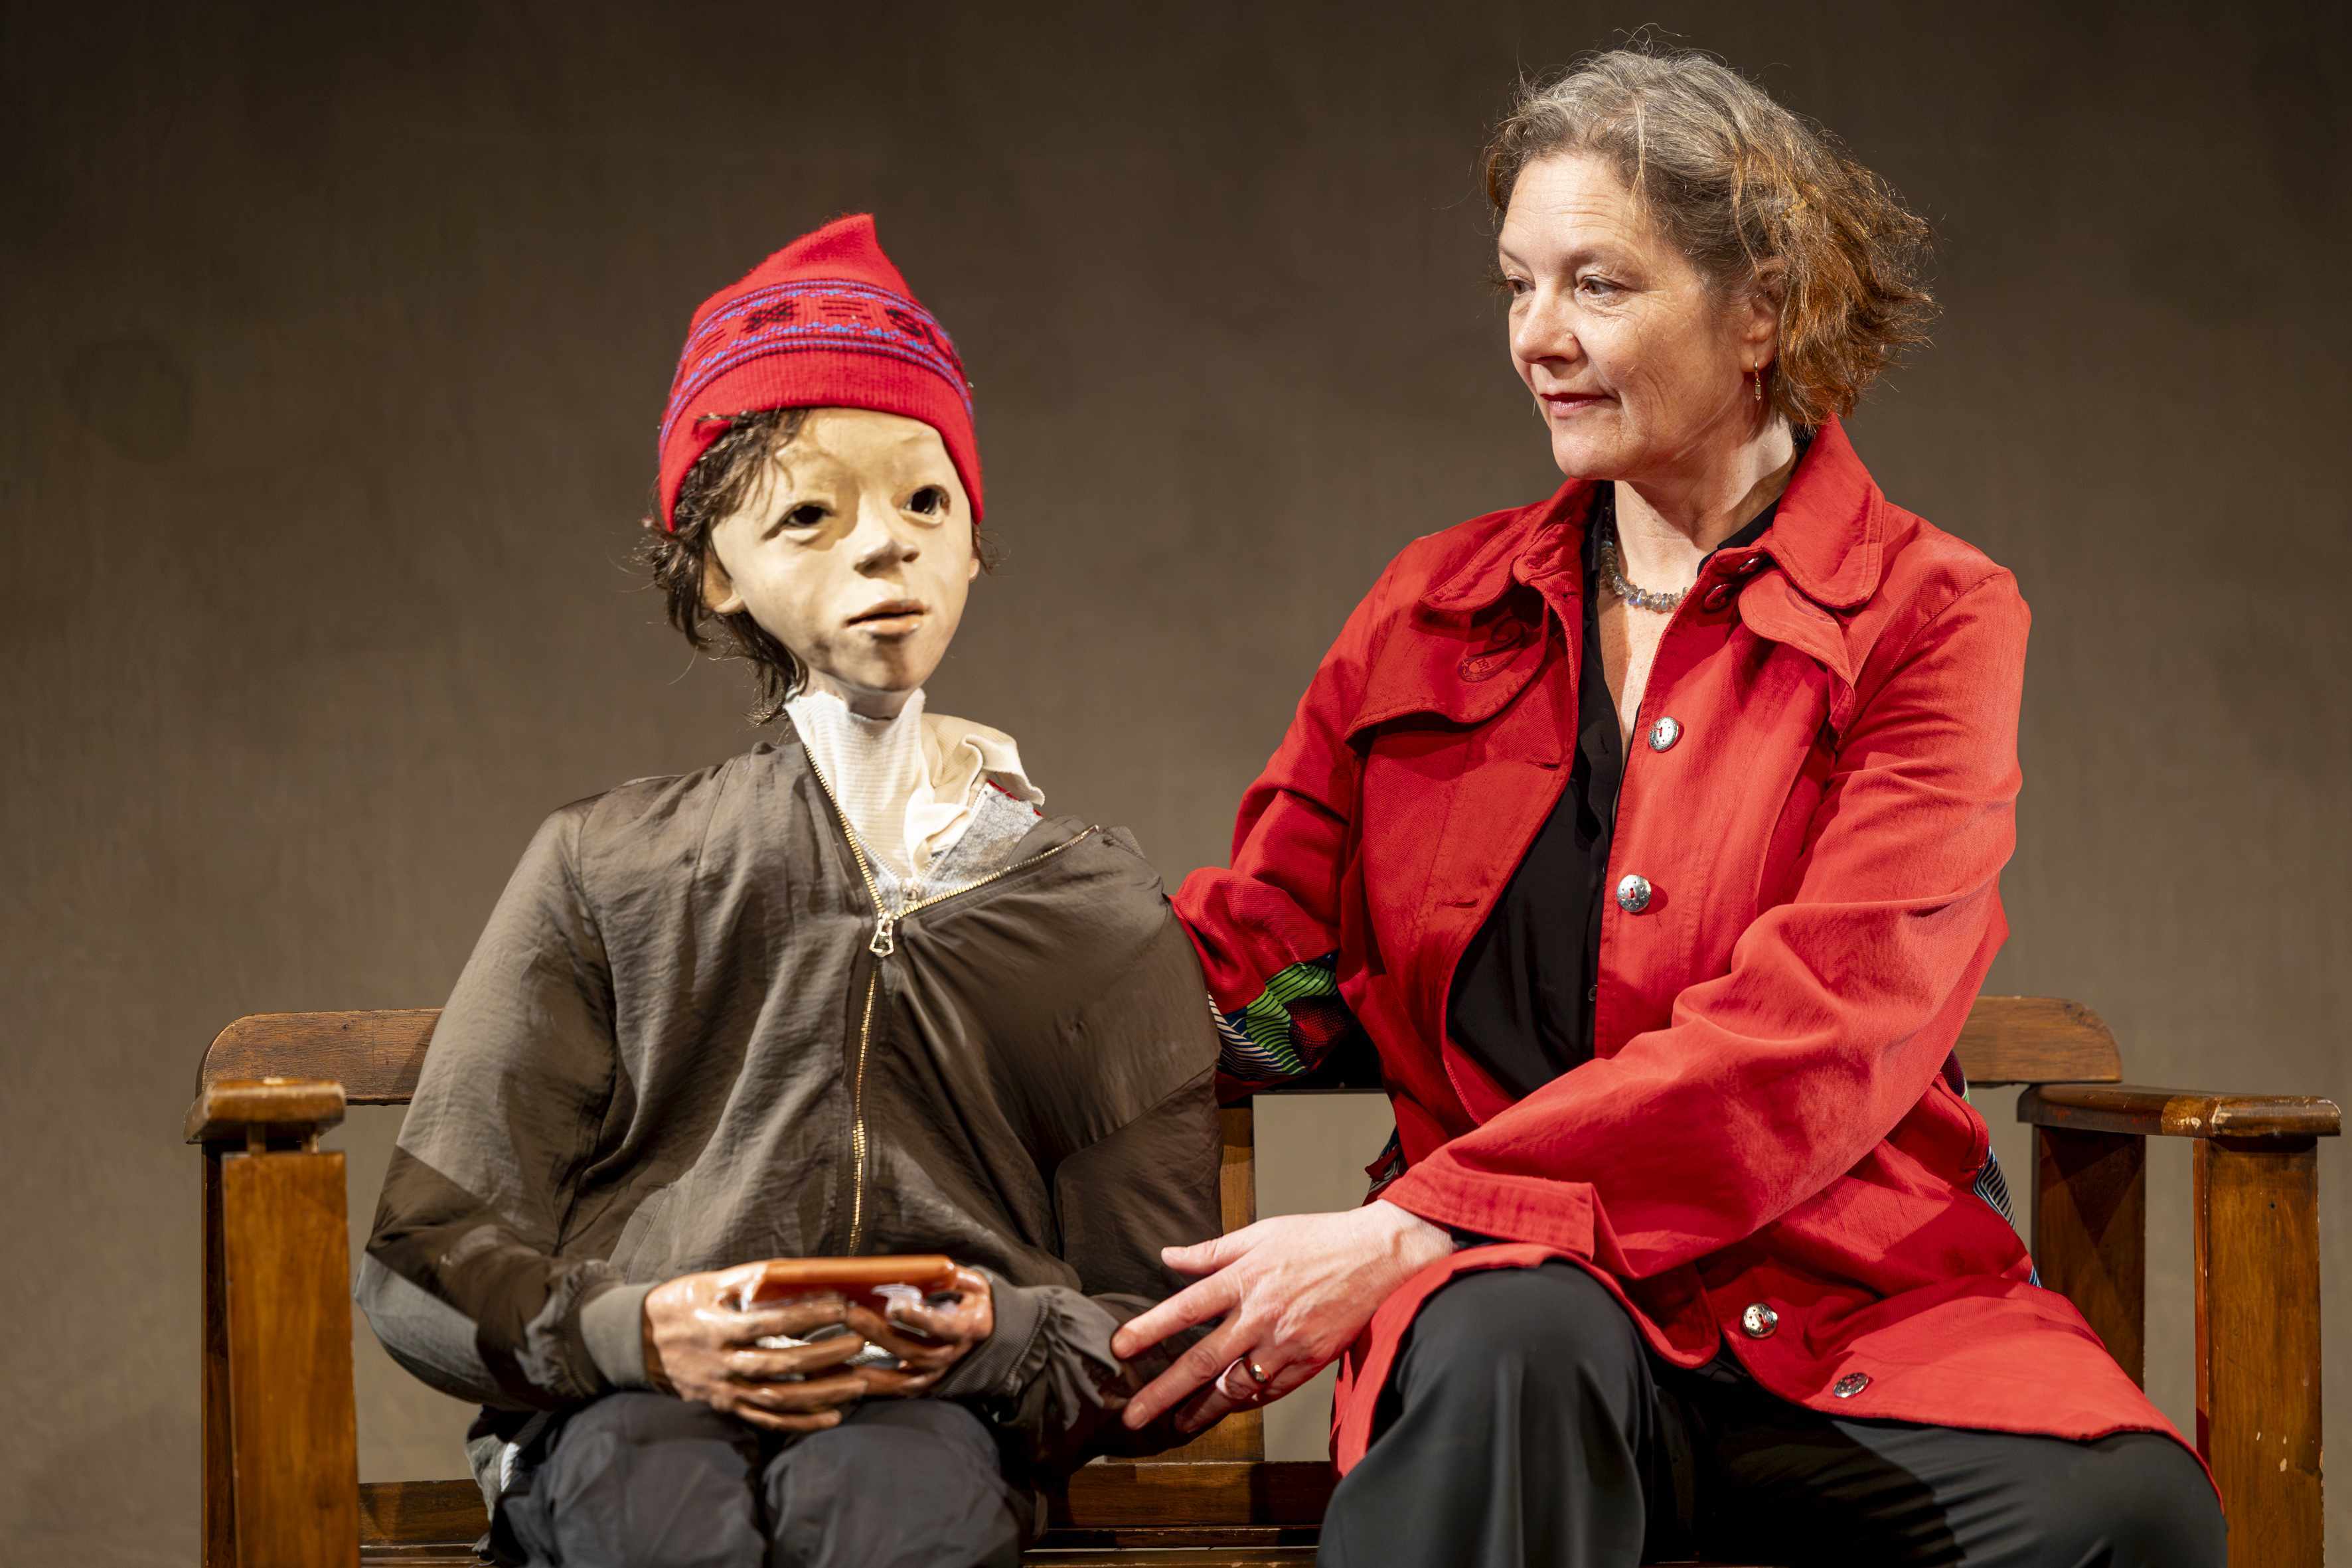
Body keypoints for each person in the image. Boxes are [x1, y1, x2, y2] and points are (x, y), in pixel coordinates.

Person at [1115, 48, 2226, 1568]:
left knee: (2128, 1517)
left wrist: (1420, 1221)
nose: (1536, 337)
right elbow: (1268, 962)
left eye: (1595, 285)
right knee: (1513, 1342)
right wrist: (988, 930)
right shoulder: (1429, 611)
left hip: (1844, 1305)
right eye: (1516, 285)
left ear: (1760, 308)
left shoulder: (1926, 614)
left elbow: (1823, 1024)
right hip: (1525, 1323)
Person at [357, 214, 1222, 1568]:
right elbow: (427, 1250)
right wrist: (638, 1329)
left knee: (894, 1511)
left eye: (924, 502)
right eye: (810, 514)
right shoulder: (614, 867)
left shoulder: (1090, 912)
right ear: (718, 569)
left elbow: (1155, 1319)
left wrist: (994, 1333)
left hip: (935, 1422)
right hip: (630, 1409)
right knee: (655, 1509)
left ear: (973, 540)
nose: (885, 549)